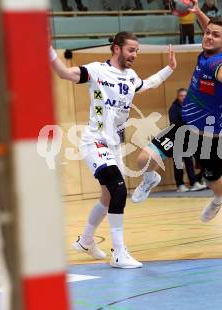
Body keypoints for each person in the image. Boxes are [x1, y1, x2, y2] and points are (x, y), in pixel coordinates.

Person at [49, 32, 176, 268]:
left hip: (114, 145)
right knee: (118, 190)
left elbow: (147, 84)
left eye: (137, 50)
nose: (135, 55)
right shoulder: (97, 70)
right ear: (116, 48)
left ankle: (86, 241)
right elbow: (64, 73)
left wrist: (169, 68)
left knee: (108, 197)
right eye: (131, 50)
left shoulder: (131, 77)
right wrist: (47, 49)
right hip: (94, 141)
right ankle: (119, 253)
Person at [130, 0, 222, 223]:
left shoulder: (217, 63)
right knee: (143, 160)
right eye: (207, 33)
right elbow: (209, 29)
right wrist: (199, 12)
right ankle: (150, 179)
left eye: (215, 35)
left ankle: (219, 200)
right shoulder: (206, 52)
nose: (209, 37)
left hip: (212, 138)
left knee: (213, 182)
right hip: (185, 129)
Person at [169, 88, 206, 192]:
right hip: (177, 139)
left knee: (189, 162)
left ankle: (194, 183)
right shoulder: (173, 108)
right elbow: (174, 124)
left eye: (185, 96)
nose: (184, 97)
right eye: (181, 96)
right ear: (178, 96)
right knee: (178, 164)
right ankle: (180, 185)